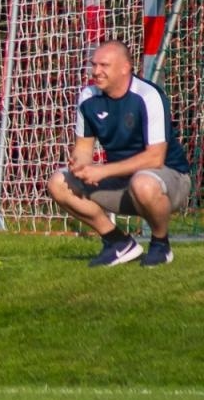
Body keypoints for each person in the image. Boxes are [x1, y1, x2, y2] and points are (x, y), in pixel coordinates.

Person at [47, 40, 191, 267]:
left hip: (169, 178)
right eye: (94, 65)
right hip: (122, 182)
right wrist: (80, 165)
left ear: (125, 67)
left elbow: (155, 158)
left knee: (143, 183)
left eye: (104, 65)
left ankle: (160, 245)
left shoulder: (148, 95)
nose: (96, 71)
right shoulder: (88, 97)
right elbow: (84, 147)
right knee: (58, 182)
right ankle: (118, 242)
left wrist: (103, 171)